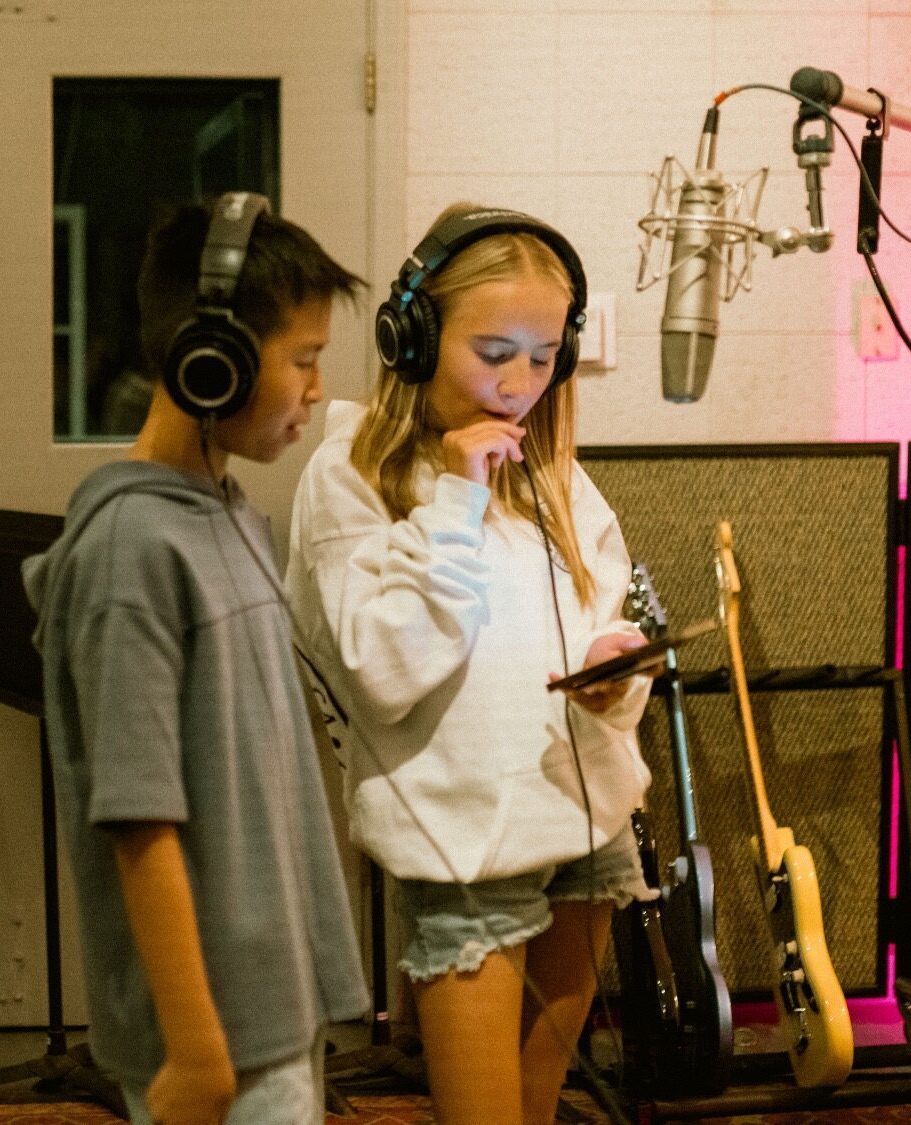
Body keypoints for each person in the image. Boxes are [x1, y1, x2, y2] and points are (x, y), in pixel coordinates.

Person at [287, 204, 654, 1124]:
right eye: (493, 353)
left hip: (586, 816)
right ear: (411, 337)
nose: (519, 384)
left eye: (545, 356)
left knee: (538, 1109)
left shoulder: (556, 475)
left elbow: (599, 612)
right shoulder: (350, 475)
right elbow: (385, 668)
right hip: (464, 840)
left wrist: (613, 667)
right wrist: (457, 499)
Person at [23, 192, 369, 1125]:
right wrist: (194, 1044)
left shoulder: (229, 515)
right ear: (211, 360)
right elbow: (139, 815)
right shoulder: (131, 551)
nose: (316, 390)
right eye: (303, 359)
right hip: (215, 1032)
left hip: (274, 1001)